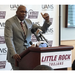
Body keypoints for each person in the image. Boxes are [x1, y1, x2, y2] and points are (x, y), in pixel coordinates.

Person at [4, 5, 51, 70]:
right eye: (22, 11)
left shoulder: (29, 22)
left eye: (25, 12)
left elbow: (42, 30)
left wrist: (46, 21)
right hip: (16, 56)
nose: (24, 13)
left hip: (28, 55)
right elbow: (8, 38)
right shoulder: (10, 22)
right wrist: (13, 53)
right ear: (17, 12)